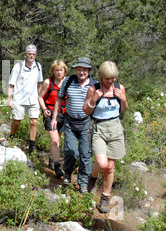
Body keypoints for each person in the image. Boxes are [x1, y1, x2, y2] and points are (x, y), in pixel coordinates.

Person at [83, 61, 129, 213]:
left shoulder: (119, 88)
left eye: (113, 78)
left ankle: (105, 198)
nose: (111, 81)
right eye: (108, 78)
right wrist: (94, 99)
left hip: (115, 127)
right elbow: (86, 111)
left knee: (110, 167)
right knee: (102, 164)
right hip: (98, 128)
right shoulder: (93, 89)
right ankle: (92, 176)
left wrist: (123, 99)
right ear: (101, 77)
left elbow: (123, 110)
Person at [51, 57, 97, 193]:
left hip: (86, 123)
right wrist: (54, 118)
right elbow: (59, 99)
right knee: (71, 152)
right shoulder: (68, 81)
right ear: (75, 70)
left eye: (84, 70)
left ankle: (83, 182)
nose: (81, 72)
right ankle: (67, 174)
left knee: (86, 154)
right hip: (70, 122)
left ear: (89, 70)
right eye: (79, 70)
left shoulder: (94, 85)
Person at [8, 44, 44, 154]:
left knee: (33, 122)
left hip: (33, 99)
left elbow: (39, 83)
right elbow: (11, 84)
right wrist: (10, 98)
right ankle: (12, 136)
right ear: (26, 54)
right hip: (19, 98)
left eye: (33, 54)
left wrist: (40, 97)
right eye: (29, 54)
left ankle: (31, 145)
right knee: (17, 121)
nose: (31, 56)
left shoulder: (38, 67)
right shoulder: (18, 67)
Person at [40, 60, 68, 179]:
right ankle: (57, 167)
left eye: (61, 70)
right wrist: (44, 109)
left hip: (64, 114)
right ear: (53, 71)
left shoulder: (68, 82)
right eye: (56, 70)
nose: (59, 72)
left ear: (64, 71)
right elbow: (40, 97)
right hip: (50, 114)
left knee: (58, 140)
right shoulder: (48, 82)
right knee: (55, 140)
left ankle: (52, 159)